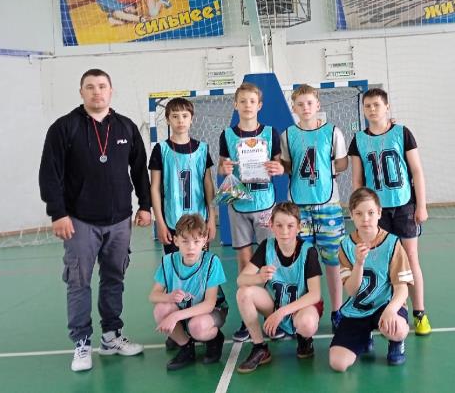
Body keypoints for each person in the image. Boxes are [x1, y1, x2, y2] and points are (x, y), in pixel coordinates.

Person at [38, 68, 151, 372]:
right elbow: (49, 173)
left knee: (114, 278)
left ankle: (111, 336)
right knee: (79, 281)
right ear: (81, 92)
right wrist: (58, 213)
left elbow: (139, 169)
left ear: (111, 91)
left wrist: (145, 205)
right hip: (79, 221)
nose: (96, 92)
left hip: (120, 220)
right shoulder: (64, 127)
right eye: (90, 87)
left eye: (102, 86)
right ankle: (81, 343)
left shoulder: (126, 127)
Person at [348, 88, 431, 337]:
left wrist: (421, 205)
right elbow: (357, 180)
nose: (372, 109)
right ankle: (387, 310)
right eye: (367, 106)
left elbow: (416, 171)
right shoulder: (358, 140)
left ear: (387, 107)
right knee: (381, 262)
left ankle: (419, 313)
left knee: (411, 258)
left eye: (376, 105)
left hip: (403, 205)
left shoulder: (402, 133)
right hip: (375, 212)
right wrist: (359, 211)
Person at [218, 82, 285, 342]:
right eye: (243, 101)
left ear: (260, 105)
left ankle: (273, 313)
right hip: (238, 204)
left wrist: (277, 168)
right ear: (235, 104)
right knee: (245, 263)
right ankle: (249, 319)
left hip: (265, 205)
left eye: (252, 101)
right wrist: (224, 169)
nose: (247, 105)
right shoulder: (227, 135)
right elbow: (223, 167)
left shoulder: (270, 133)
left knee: (269, 262)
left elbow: (279, 164)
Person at [279, 85, 348, 331]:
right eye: (300, 104)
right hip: (298, 207)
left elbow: (342, 163)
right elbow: (287, 166)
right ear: (294, 108)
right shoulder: (288, 135)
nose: (305, 107)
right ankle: (303, 310)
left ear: (318, 105)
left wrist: (325, 172)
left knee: (333, 261)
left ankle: (337, 310)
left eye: (309, 103)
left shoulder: (333, 132)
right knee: (301, 261)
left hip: (328, 205)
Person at [329, 188, 412, 371]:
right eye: (359, 213)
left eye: (371, 212)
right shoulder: (345, 245)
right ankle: (365, 336)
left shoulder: (392, 243)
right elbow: (351, 291)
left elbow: (402, 289)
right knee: (338, 364)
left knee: (397, 328)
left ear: (379, 213)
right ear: (351, 215)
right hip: (358, 309)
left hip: (385, 305)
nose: (365, 219)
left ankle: (396, 343)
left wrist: (391, 311)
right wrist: (359, 263)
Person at [235, 202, 323, 373]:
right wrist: (259, 277)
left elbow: (315, 294)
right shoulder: (266, 246)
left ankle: (304, 339)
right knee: (243, 292)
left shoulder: (308, 251)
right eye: (279, 225)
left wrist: (282, 312)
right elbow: (241, 280)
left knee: (307, 324)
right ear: (271, 226)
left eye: (290, 226)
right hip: (275, 305)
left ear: (299, 227)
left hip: (300, 308)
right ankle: (260, 347)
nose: (284, 231)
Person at [150, 214, 228, 370]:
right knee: (160, 309)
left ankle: (214, 339)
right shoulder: (168, 261)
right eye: (185, 241)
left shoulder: (212, 262)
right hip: (184, 312)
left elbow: (209, 304)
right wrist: (169, 296)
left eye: (196, 241)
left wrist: (175, 316)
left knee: (197, 327)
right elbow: (153, 295)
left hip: (211, 311)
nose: (191, 247)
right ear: (176, 240)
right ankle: (185, 345)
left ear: (204, 241)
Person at [149, 97, 216, 255]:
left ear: (191, 119)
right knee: (175, 265)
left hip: (200, 219)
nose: (180, 120)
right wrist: (160, 223)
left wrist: (212, 219)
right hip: (172, 219)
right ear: (167, 120)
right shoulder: (161, 149)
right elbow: (154, 188)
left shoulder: (202, 149)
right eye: (175, 116)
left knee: (200, 264)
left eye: (185, 116)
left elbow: (208, 186)